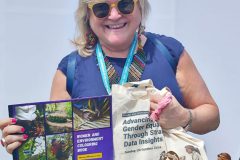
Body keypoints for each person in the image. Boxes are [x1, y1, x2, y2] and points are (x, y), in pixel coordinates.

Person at [0, 0, 220, 154]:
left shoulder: (169, 52)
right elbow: (59, 144)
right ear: (87, 15)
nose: (114, 15)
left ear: (140, 7)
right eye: (101, 8)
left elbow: (212, 115)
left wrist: (183, 117)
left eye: (124, 4)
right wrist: (25, 141)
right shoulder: (70, 69)